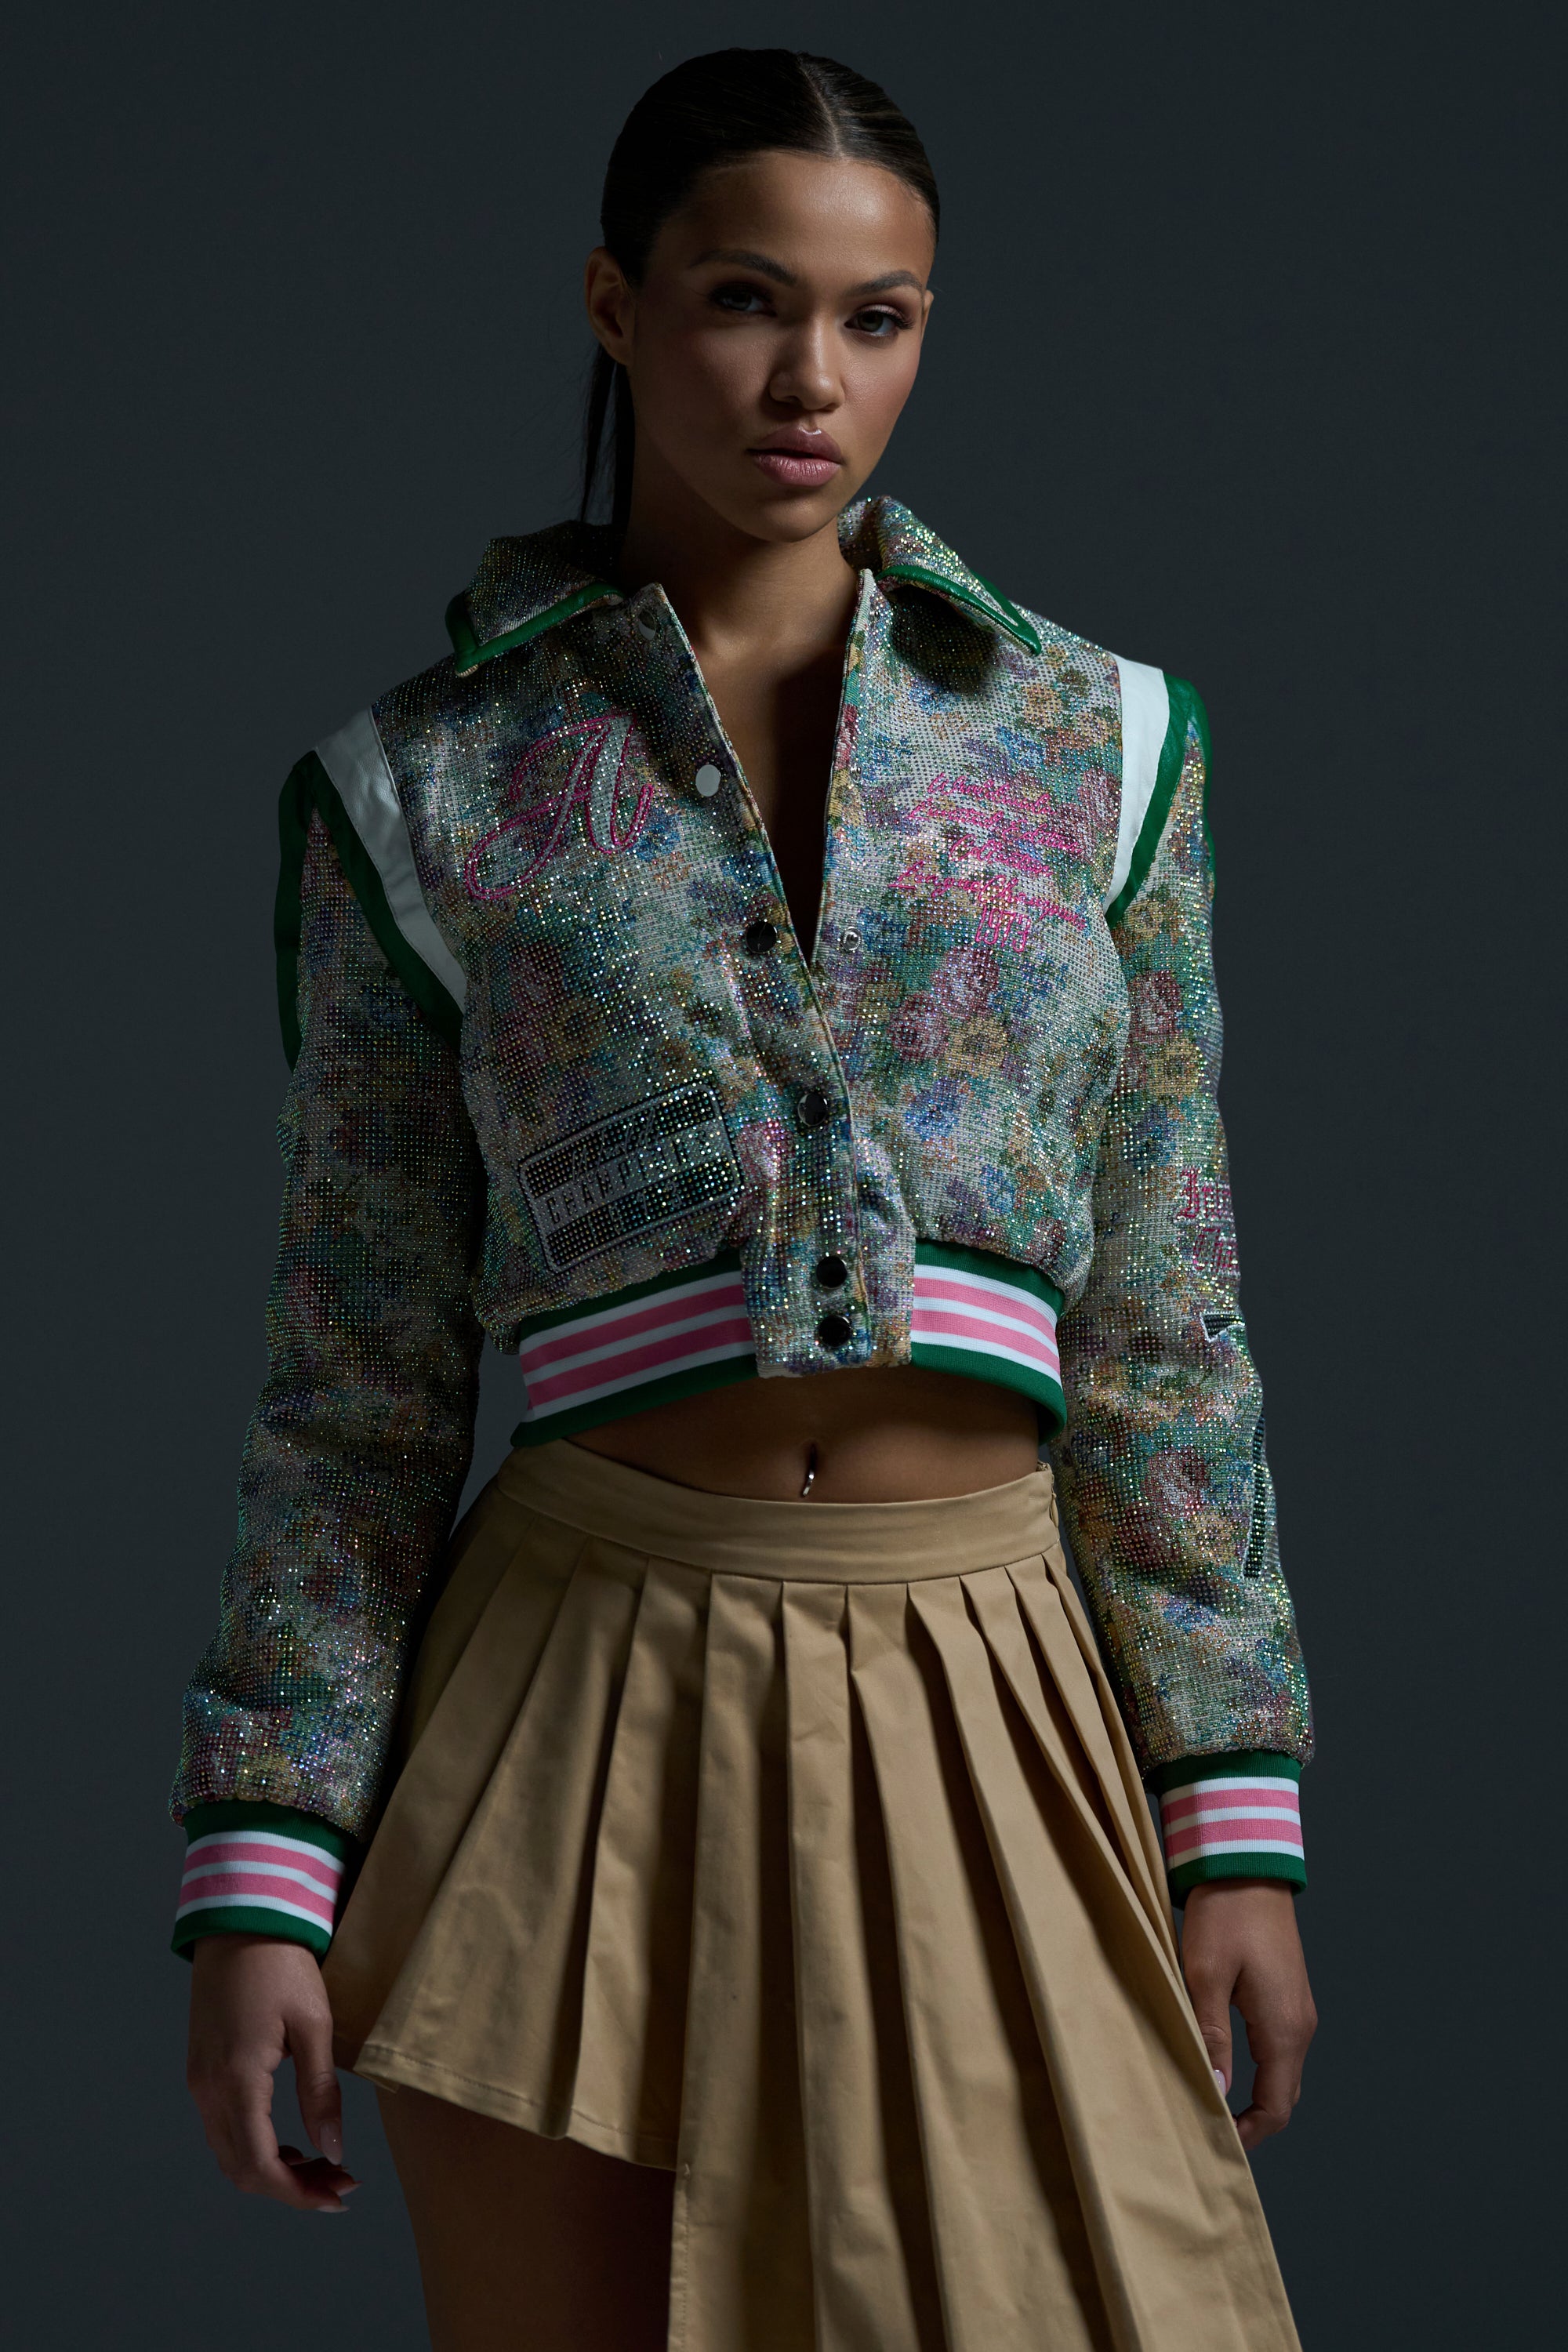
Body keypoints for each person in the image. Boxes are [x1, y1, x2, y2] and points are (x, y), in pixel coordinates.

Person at [173, 47, 1316, 2352]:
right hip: (567, 1729)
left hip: (997, 1688)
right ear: (613, 305)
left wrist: (1234, 1812)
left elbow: (1169, 1318)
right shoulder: (419, 786)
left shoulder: (1105, 744)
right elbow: (355, 1385)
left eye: (879, 316)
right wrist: (259, 1889)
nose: (813, 378)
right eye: (741, 299)